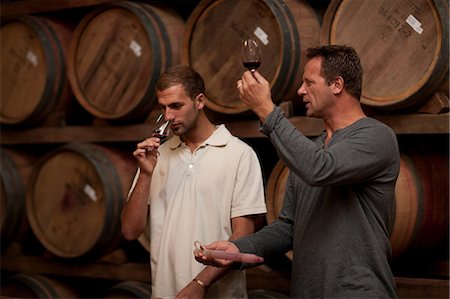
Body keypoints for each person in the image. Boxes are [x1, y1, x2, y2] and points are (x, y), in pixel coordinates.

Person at [195, 45, 400, 298]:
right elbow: (288, 228)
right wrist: (236, 249)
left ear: (337, 85)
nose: (300, 90)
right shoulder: (311, 151)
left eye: (309, 83)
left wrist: (266, 110)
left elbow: (321, 169)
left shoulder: (376, 137)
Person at [121, 64, 267, 299]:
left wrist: (200, 283)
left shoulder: (239, 154)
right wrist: (146, 174)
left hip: (219, 293)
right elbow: (130, 230)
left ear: (199, 101)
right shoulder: (156, 156)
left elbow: (243, 234)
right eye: (163, 107)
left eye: (176, 106)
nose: (168, 116)